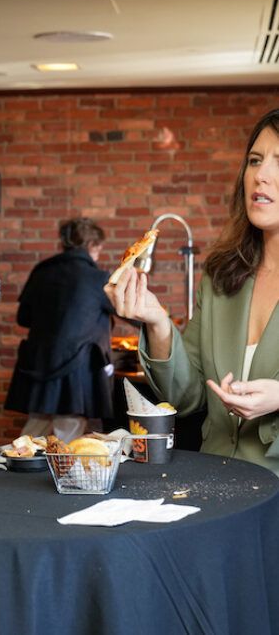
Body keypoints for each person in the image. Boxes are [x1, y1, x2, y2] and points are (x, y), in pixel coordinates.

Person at [104, 108, 279, 476]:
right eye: (255, 160)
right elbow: (188, 398)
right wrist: (157, 321)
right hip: (216, 483)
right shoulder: (220, 277)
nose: (261, 175)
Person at [4, 218, 118, 442]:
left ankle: (19, 470)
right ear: (93, 245)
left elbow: (23, 318)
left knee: (32, 434)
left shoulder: (41, 272)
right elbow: (131, 313)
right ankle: (66, 476)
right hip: (77, 372)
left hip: (39, 366)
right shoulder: (98, 279)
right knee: (70, 438)